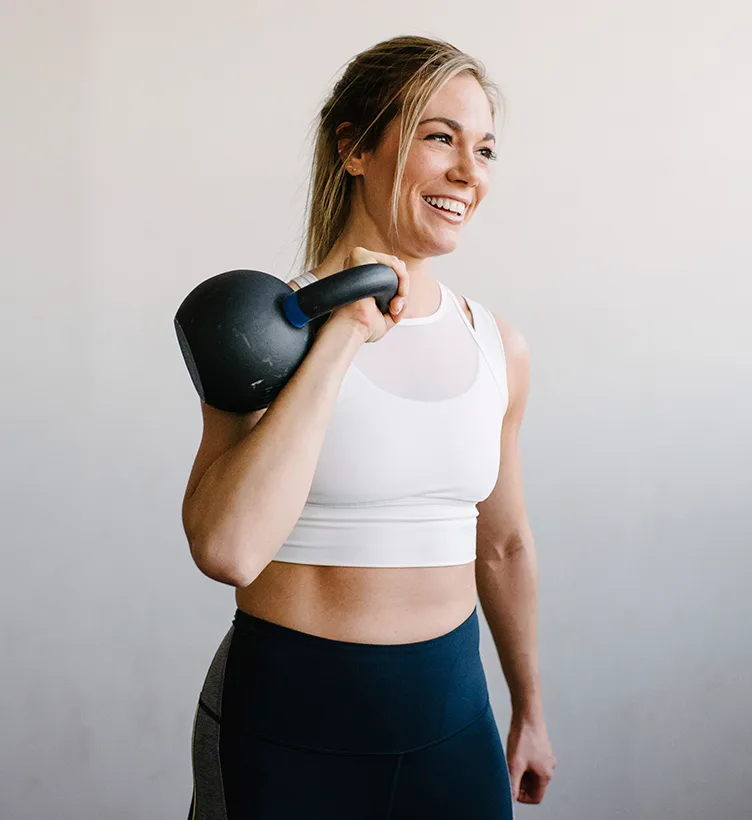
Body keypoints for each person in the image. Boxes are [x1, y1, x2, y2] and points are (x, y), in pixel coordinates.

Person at [181, 35, 556, 819]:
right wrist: (342, 333)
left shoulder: (498, 345)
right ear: (354, 147)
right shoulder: (263, 333)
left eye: (484, 147)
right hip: (287, 730)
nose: (468, 171)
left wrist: (529, 710)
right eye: (438, 136)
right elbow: (227, 547)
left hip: (452, 725)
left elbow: (504, 543)